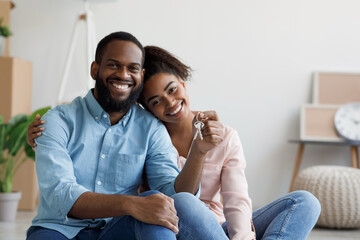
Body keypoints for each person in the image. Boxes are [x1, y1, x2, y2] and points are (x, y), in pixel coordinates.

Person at [28, 44, 321, 239]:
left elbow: (236, 201)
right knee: (181, 202)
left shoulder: (220, 134)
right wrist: (48, 133)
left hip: (219, 227)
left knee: (304, 201)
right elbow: (96, 142)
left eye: (172, 89)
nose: (170, 103)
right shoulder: (148, 133)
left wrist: (240, 236)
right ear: (143, 105)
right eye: (156, 100)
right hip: (174, 224)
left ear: (183, 80)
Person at [25, 32, 229, 240]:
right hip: (59, 229)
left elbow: (173, 197)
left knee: (160, 204)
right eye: (113, 65)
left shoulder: (151, 129)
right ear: (95, 70)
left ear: (141, 75)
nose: (123, 75)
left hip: (119, 229)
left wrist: (198, 152)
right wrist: (131, 204)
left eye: (132, 68)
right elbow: (60, 194)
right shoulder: (57, 121)